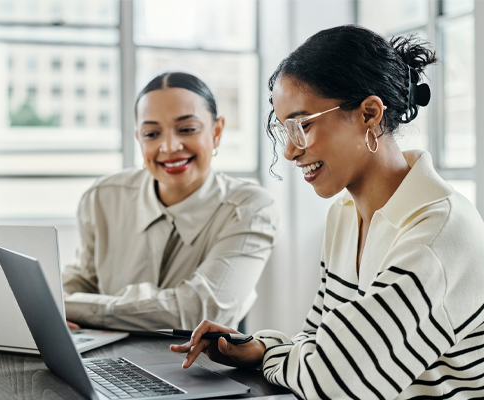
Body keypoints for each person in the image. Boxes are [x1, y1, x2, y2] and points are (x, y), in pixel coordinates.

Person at [171, 25, 484, 399]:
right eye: (283, 129)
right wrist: (260, 347)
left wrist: (272, 352)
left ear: (369, 114)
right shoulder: (345, 215)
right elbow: (316, 341)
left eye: (302, 125)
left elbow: (333, 382)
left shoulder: (439, 232)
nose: (289, 151)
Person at [62, 72, 279, 332]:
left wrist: (72, 306)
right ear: (139, 140)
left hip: (200, 368)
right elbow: (83, 281)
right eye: (151, 134)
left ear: (217, 131)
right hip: (108, 361)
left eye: (187, 129)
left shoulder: (250, 207)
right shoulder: (102, 197)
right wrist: (51, 304)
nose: (169, 146)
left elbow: (200, 313)